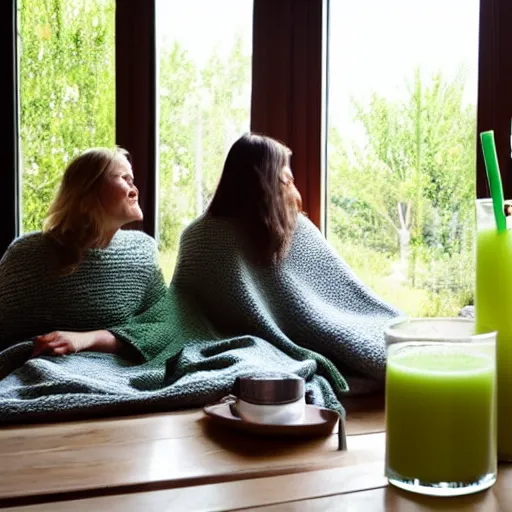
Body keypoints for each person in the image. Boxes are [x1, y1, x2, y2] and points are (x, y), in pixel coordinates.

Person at [172, 133, 402, 394]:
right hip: (251, 351)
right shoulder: (203, 238)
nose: (294, 190)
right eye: (287, 179)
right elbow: (184, 313)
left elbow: (343, 292)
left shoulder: (294, 228)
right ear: (266, 181)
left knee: (392, 339)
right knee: (399, 349)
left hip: (339, 327)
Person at [0, 147, 170, 360]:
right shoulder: (27, 255)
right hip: (37, 370)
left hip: (119, 373)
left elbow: (163, 329)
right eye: (124, 179)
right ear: (87, 192)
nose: (134, 189)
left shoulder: (142, 250)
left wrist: (85, 340)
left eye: (132, 179)